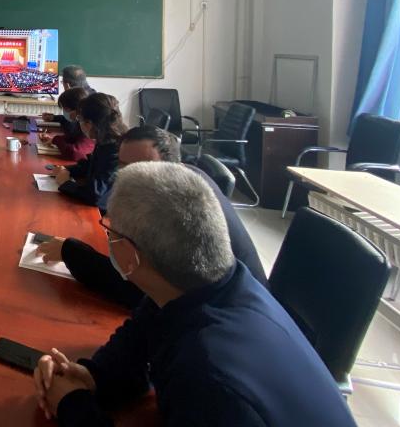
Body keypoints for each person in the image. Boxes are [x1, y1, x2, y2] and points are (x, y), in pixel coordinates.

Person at [32, 162, 356, 427]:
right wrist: (91, 376)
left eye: (109, 230)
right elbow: (136, 345)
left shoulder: (207, 375)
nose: (108, 238)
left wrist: (73, 405)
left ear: (130, 256)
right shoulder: (203, 287)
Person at [37, 125, 267, 307]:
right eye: (124, 167)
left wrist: (72, 252)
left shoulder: (180, 205)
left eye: (144, 166)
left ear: (172, 164)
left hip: (228, 312)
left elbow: (142, 290)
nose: (132, 175)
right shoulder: (184, 178)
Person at [55, 93, 125, 211]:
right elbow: (91, 165)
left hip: (105, 211)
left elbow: (94, 195)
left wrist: (65, 183)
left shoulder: (116, 149)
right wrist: (67, 170)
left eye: (79, 119)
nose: (79, 123)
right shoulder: (105, 139)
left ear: (89, 123)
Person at [38, 87, 94, 162]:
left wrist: (56, 140)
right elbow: (73, 138)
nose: (64, 112)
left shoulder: (89, 126)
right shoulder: (79, 122)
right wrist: (53, 139)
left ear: (77, 109)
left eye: (65, 109)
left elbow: (75, 153)